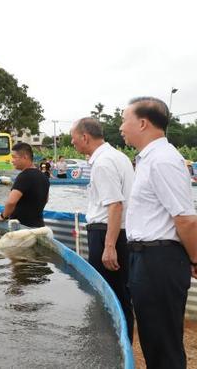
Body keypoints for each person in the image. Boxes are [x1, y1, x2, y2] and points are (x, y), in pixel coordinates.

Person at [120, 96, 197, 368]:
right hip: (147, 259)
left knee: (163, 345)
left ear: (142, 123)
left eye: (124, 120)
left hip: (159, 261)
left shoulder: (163, 160)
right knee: (154, 339)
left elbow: (186, 219)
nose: (120, 127)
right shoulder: (148, 159)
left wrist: (195, 259)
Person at [70, 117, 134, 341]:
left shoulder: (103, 162)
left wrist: (109, 246)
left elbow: (115, 205)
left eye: (74, 138)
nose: (73, 142)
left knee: (109, 295)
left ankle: (111, 345)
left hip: (108, 234)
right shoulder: (117, 157)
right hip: (118, 233)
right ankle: (120, 342)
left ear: (85, 137)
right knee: (121, 294)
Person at [0, 143, 49, 227]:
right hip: (39, 226)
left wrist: (3, 216)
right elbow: (46, 199)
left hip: (22, 227)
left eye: (14, 157)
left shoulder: (24, 176)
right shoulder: (44, 176)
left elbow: (11, 202)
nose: (12, 160)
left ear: (25, 157)